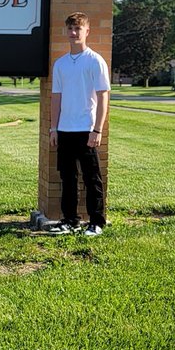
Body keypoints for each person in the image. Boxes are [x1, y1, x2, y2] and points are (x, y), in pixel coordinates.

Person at [49, 12, 110, 236]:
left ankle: (96, 222)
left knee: (92, 178)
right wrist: (53, 128)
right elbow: (56, 98)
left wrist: (97, 130)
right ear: (66, 31)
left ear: (87, 31)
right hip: (64, 130)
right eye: (70, 29)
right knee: (68, 178)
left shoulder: (95, 61)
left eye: (78, 29)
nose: (74, 33)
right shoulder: (60, 64)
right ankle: (70, 220)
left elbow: (103, 96)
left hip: (86, 130)